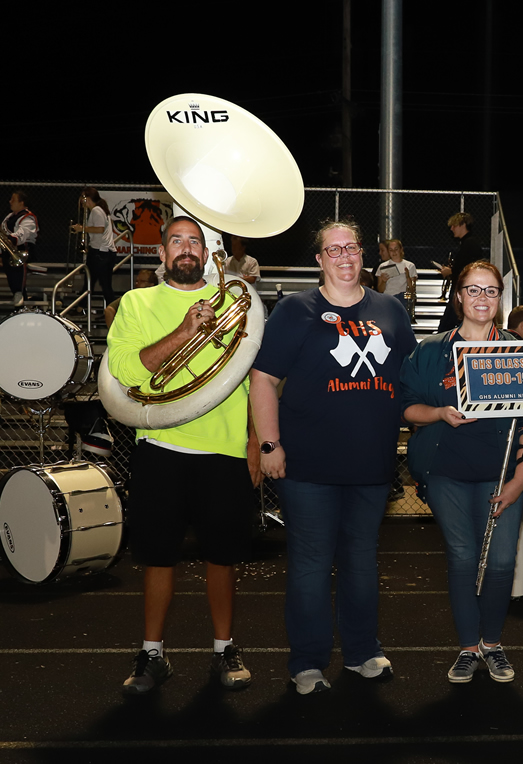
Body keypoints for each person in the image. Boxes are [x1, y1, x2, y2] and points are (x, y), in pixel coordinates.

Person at [250, 219, 415, 695]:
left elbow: (412, 377)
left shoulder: (390, 309)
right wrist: (269, 444)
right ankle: (307, 662)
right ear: (320, 259)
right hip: (308, 467)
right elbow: (263, 379)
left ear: (363, 254)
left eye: (352, 247)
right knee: (311, 565)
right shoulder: (295, 310)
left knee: (361, 563)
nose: (345, 256)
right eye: (334, 249)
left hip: (371, 465)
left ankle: (363, 651)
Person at [108, 216, 259, 695]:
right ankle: (152, 654)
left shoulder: (233, 301)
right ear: (162, 253)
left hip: (225, 447)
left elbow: (253, 376)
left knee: (222, 556)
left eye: (195, 241)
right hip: (161, 446)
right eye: (176, 241)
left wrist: (255, 440)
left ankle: (224, 649)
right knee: (158, 557)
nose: (187, 248)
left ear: (206, 252)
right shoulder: (136, 302)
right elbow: (128, 370)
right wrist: (185, 330)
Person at [401, 262, 523, 683]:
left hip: (502, 474)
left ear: (500, 298)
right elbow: (407, 407)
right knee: (464, 557)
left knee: (500, 562)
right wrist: (439, 413)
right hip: (444, 472)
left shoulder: (520, 350)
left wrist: (521, 474)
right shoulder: (430, 350)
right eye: (474, 290)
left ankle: (492, 644)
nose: (483, 298)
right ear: (459, 296)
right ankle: (468, 647)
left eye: (491, 290)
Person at [437, 213, 484, 333]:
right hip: (463, 289)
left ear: (463, 225)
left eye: (454, 225)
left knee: (446, 325)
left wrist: (451, 271)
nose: (451, 228)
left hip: (462, 289)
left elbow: (467, 268)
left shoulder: (469, 244)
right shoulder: (469, 243)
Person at [71, 187, 118, 306]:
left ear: (87, 198)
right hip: (104, 251)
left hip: (100, 252)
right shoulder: (102, 210)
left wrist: (81, 229)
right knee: (97, 283)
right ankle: (82, 306)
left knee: (95, 282)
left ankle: (111, 308)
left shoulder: (96, 211)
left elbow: (100, 229)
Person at [2, 190, 37, 307]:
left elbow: (22, 234)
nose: (10, 201)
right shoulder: (9, 217)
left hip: (23, 251)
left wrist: (10, 239)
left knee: (17, 270)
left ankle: (19, 294)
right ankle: (19, 297)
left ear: (22, 202)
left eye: (13, 199)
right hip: (8, 252)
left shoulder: (28, 218)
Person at [377, 238, 417, 317]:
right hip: (388, 297)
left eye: (396, 249)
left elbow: (412, 289)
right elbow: (380, 290)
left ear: (401, 250)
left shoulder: (410, 265)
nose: (394, 252)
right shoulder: (383, 266)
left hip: (403, 298)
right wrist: (384, 281)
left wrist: (408, 277)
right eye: (391, 250)